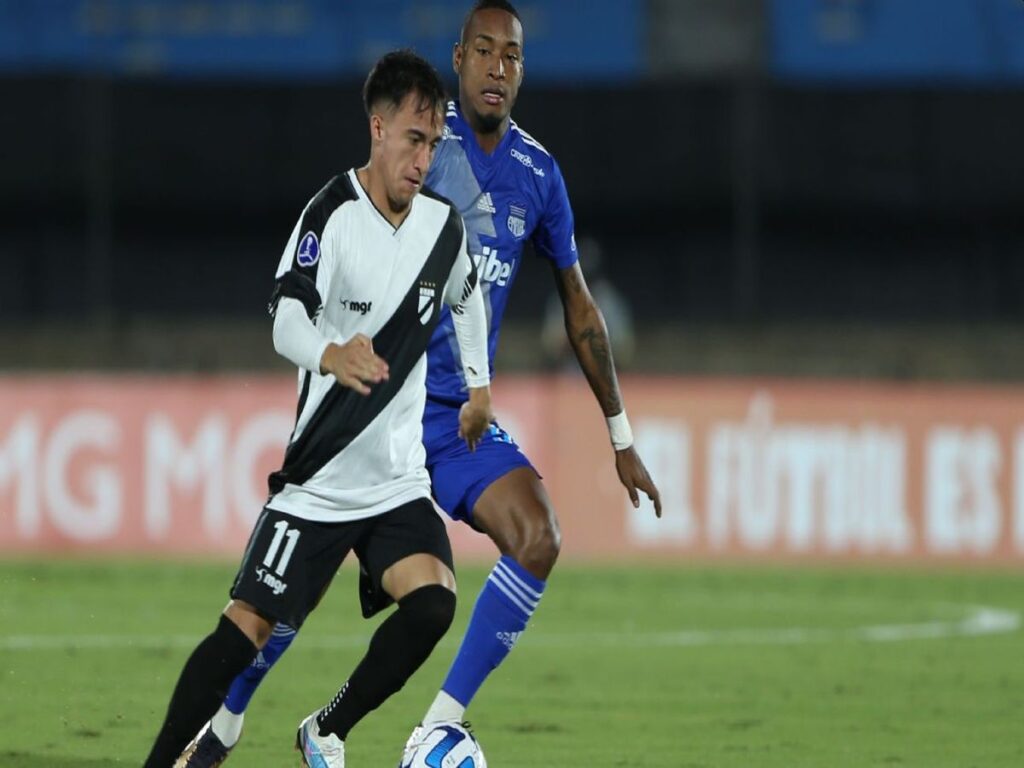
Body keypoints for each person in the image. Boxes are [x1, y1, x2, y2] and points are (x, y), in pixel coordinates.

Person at [177, 2, 662, 765]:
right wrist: (330, 352)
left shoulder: (538, 174)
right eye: (484, 51)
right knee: (300, 585)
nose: (498, 67)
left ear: (522, 69)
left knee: (539, 536)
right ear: (458, 58)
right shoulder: (423, 145)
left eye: (512, 55)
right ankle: (225, 722)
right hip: (377, 405)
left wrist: (620, 433)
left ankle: (428, 726)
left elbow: (578, 307)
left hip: (456, 418)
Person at [144, 49, 493, 768]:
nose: (423, 160)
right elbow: (284, 318)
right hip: (320, 481)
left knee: (433, 603)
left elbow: (466, 296)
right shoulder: (331, 215)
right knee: (243, 630)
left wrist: (480, 387)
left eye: (433, 144)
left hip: (395, 482)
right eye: (413, 139)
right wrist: (330, 354)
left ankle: (326, 730)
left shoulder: (443, 227)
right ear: (378, 128)